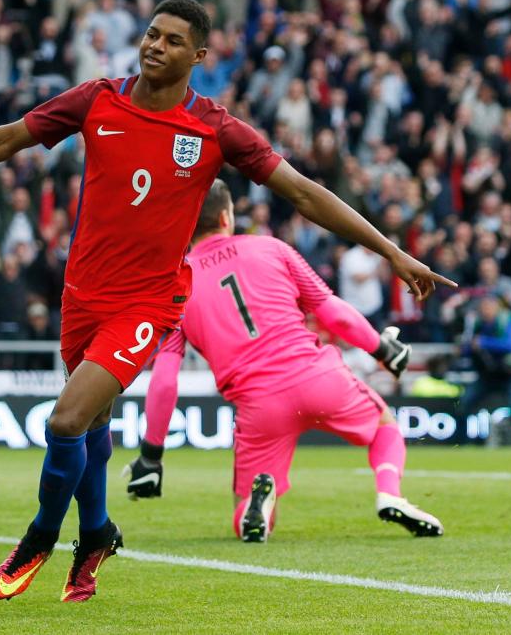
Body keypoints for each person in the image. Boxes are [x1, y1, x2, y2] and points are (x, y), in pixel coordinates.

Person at [0, 0, 454, 601]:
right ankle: (98, 533)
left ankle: (40, 537)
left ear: (199, 55)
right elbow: (5, 141)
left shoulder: (215, 129)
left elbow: (305, 194)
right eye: (152, 34)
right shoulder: (97, 98)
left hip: (146, 305)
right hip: (82, 295)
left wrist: (391, 251)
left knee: (66, 419)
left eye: (172, 40)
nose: (155, 45)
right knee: (95, 427)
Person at [125, 180, 444, 542]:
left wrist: (151, 455)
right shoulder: (271, 248)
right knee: (385, 425)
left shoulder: (176, 286)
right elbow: (332, 313)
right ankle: (389, 493)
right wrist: (382, 350)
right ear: (227, 217)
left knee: (244, 512)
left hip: (259, 405)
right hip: (318, 377)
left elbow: (165, 378)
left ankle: (255, 504)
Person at [459, 294, 511, 445]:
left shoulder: (507, 320)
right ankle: (461, 444)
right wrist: (467, 346)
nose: (486, 311)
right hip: (486, 376)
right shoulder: (476, 323)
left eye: (489, 307)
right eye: (483, 307)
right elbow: (466, 347)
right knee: (463, 403)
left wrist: (484, 342)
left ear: (497, 307)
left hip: (508, 375)